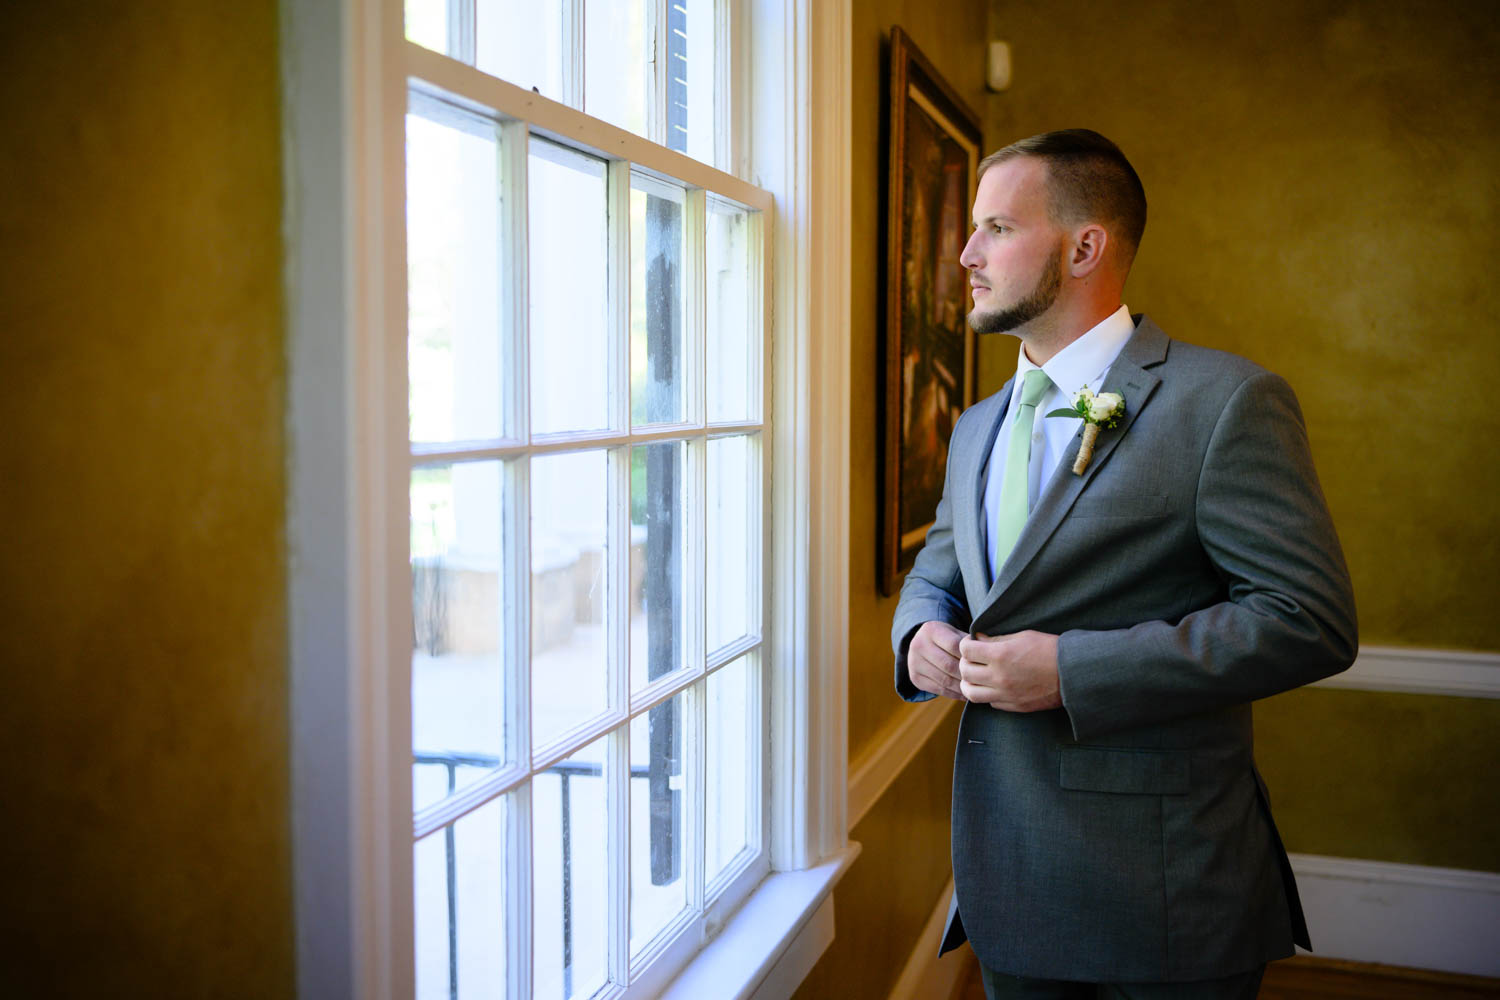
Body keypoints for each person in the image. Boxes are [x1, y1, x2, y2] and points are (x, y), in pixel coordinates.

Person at [890, 129, 1357, 1000]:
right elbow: (940, 574)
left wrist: (1073, 669)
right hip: (1006, 879)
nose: (965, 254)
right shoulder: (976, 425)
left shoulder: (1225, 403)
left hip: (1167, 891)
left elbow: (1309, 621)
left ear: (1084, 246)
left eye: (995, 228)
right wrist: (919, 631)